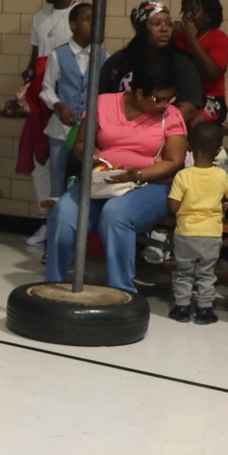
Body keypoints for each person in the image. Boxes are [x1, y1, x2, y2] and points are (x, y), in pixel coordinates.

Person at [45, 57, 189, 292]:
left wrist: (139, 175)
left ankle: (121, 291)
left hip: (151, 184)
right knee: (63, 213)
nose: (165, 104)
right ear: (139, 93)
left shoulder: (170, 116)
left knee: (116, 215)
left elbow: (174, 162)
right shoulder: (102, 104)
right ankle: (53, 283)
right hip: (104, 181)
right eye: (160, 99)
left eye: (170, 98)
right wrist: (89, 153)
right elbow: (80, 145)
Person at [17, 0, 79, 246]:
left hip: (66, 98)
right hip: (41, 97)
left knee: (63, 165)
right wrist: (25, 83)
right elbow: (33, 63)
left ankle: (65, 223)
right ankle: (47, 220)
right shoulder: (39, 18)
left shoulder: (81, 15)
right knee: (38, 162)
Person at [167, 121, 228, 324]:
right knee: (206, 274)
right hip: (211, 235)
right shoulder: (221, 176)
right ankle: (204, 310)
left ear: (189, 146)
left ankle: (182, 308)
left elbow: (173, 206)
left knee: (184, 273)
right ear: (218, 150)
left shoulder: (183, 175)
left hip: (186, 233)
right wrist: (222, 203)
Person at [99, 0, 203, 126]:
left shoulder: (181, 62)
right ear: (142, 28)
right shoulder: (119, 61)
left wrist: (153, 129)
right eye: (156, 23)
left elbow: (189, 109)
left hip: (162, 132)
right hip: (119, 129)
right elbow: (102, 101)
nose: (164, 29)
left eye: (168, 24)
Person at [39, 2, 102, 200]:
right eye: (87, 19)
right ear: (73, 25)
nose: (93, 24)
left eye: (96, 19)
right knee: (57, 177)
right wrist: (58, 105)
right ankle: (54, 225)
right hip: (60, 129)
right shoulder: (58, 55)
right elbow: (46, 89)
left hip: (88, 130)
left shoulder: (103, 56)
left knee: (86, 177)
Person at [174, 0, 228, 125]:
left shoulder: (219, 38)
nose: (187, 16)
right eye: (185, 11)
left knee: (193, 122)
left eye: (193, 12)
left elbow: (212, 72)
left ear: (208, 16)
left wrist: (192, 40)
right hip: (183, 96)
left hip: (211, 99)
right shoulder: (179, 37)